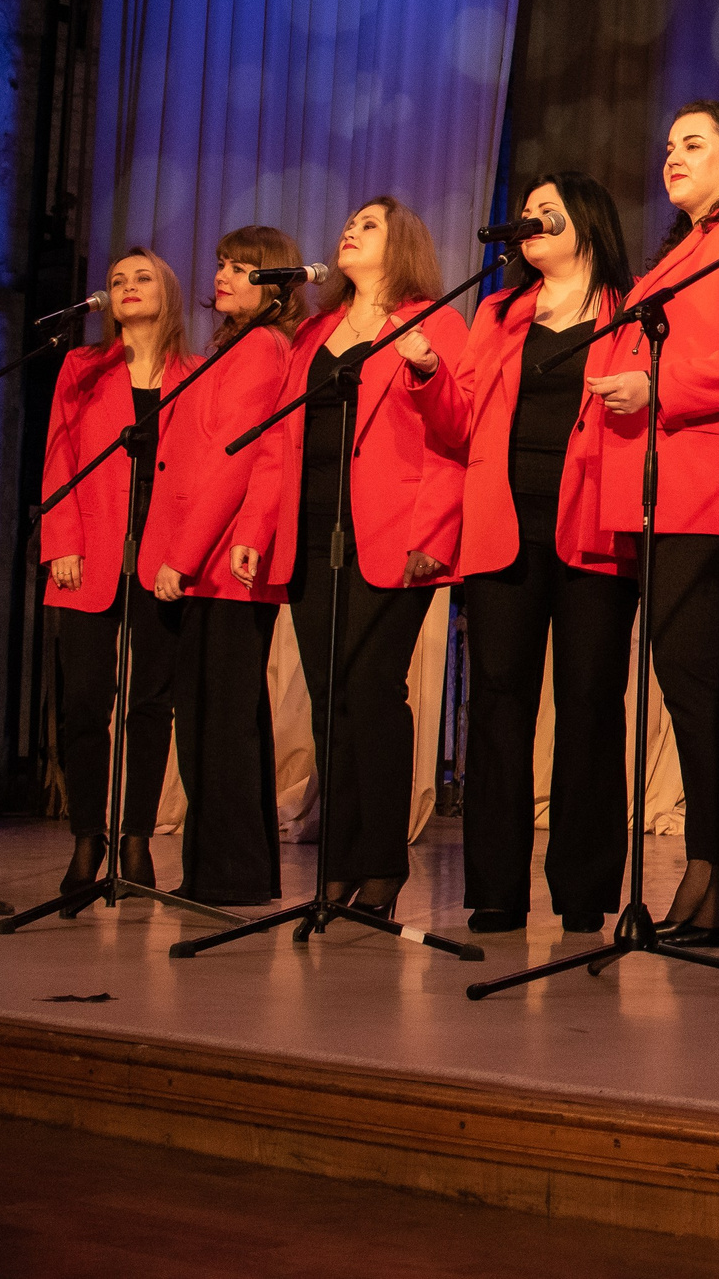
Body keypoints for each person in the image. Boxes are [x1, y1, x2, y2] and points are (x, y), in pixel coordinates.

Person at [589, 108, 719, 948]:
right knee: (689, 680)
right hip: (667, 489)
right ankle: (717, 862)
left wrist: (658, 383)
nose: (672, 155)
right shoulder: (683, 248)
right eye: (668, 142)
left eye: (694, 144)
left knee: (698, 675)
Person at [234, 197, 465, 918]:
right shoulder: (314, 334)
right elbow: (278, 445)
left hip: (394, 534)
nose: (350, 231)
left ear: (403, 243)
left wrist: (433, 531)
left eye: (369, 225)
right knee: (331, 702)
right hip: (313, 533)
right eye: (350, 223)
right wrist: (255, 526)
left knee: (373, 692)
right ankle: (336, 864)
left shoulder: (436, 320)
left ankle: (383, 866)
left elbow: (458, 434)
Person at [434, 173, 639, 937]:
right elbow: (458, 419)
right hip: (501, 526)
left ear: (586, 220)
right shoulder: (498, 311)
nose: (531, 221)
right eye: (526, 213)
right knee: (496, 703)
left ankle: (584, 889)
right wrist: (427, 377)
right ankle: (495, 887)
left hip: (592, 526)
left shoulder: (635, 307)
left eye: (547, 210)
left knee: (590, 705)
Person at [135, 227, 303, 906]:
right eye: (222, 263)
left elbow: (234, 458)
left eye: (242, 268)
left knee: (220, 718)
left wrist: (183, 555)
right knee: (213, 715)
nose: (224, 276)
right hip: (207, 558)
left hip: (221, 560)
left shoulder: (262, 347)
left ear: (274, 284)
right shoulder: (232, 346)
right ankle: (223, 871)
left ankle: (229, 873)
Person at [40, 247, 192, 903]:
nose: (128, 287)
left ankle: (135, 836)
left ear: (170, 291)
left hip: (160, 559)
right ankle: (86, 836)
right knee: (83, 704)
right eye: (117, 280)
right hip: (88, 554)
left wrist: (183, 554)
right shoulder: (82, 367)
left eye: (142, 276)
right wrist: (62, 540)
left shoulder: (196, 372)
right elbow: (59, 459)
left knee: (151, 704)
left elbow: (198, 476)